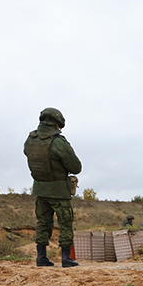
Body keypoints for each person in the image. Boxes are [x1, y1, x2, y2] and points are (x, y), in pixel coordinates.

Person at [24, 107, 82, 268]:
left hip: (40, 189)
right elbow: (76, 166)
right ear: (57, 124)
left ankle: (41, 257)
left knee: (43, 222)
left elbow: (26, 153)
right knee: (65, 222)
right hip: (58, 191)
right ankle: (66, 258)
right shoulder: (58, 142)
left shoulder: (30, 139)